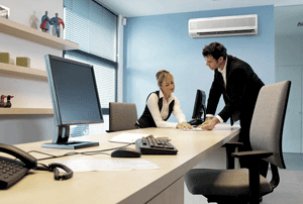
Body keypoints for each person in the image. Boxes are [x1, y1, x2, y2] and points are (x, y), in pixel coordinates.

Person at [200, 42, 268, 175]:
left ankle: (255, 185)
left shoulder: (238, 69)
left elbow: (235, 101)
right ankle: (248, 183)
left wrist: (216, 120)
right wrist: (208, 117)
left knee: (249, 145)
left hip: (257, 110)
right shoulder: (219, 69)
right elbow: (215, 92)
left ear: (220, 59)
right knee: (244, 145)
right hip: (247, 109)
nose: (206, 63)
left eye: (209, 61)